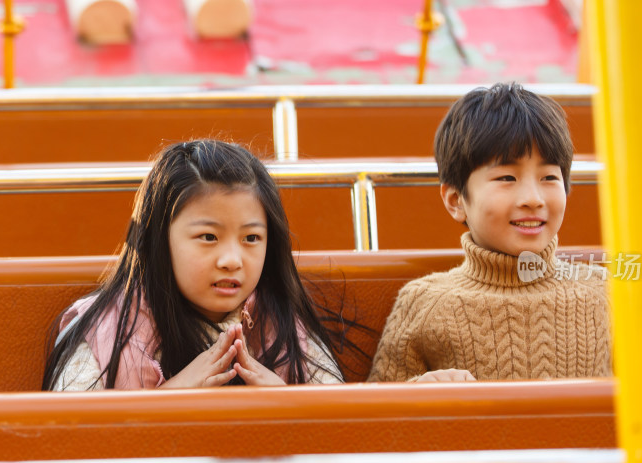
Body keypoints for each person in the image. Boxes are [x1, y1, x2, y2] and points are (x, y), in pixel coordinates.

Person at [43, 139, 343, 390]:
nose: (231, 260)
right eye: (208, 236)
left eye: (251, 237)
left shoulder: (285, 326)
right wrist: (173, 397)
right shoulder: (106, 333)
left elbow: (346, 434)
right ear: (160, 240)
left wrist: (289, 402)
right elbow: (68, 440)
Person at [367, 82, 611, 382]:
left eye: (549, 177)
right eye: (507, 177)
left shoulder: (606, 293)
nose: (533, 198)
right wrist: (416, 393)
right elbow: (381, 416)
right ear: (456, 201)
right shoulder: (422, 303)